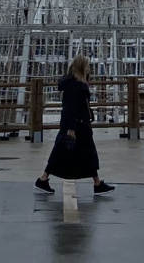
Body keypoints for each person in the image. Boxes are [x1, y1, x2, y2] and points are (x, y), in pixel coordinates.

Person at [35, 55, 114, 195]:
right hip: (77, 126)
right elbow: (70, 107)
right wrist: (71, 128)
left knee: (67, 152)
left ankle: (44, 179)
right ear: (82, 67)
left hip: (78, 124)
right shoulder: (74, 85)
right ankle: (97, 183)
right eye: (87, 66)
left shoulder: (76, 83)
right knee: (85, 153)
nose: (89, 69)